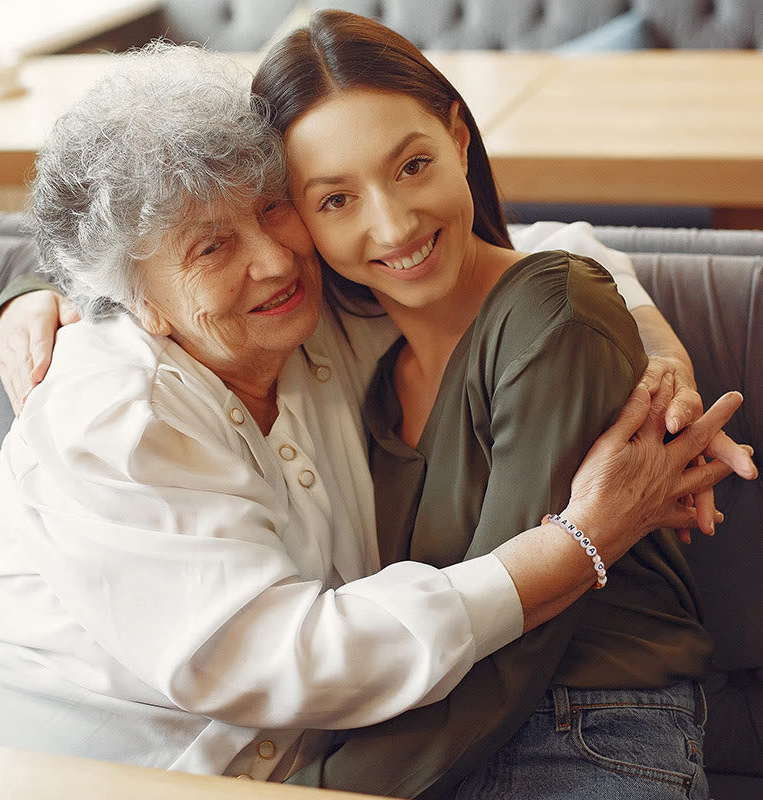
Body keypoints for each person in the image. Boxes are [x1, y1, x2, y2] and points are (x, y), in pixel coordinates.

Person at [0, 41, 752, 793]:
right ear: (132, 301)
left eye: (274, 208)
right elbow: (289, 658)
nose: (275, 260)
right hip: (81, 770)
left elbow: (538, 262)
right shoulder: (115, 410)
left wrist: (659, 362)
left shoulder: (320, 317)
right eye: (214, 247)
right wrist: (586, 538)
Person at [243, 11, 757, 799]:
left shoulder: (552, 304)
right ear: (295, 219)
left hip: (591, 730)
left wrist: (312, 787)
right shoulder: (363, 375)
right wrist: (30, 295)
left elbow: (522, 634)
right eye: (336, 200)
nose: (393, 223)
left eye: (412, 165)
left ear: (457, 137)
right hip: (437, 730)